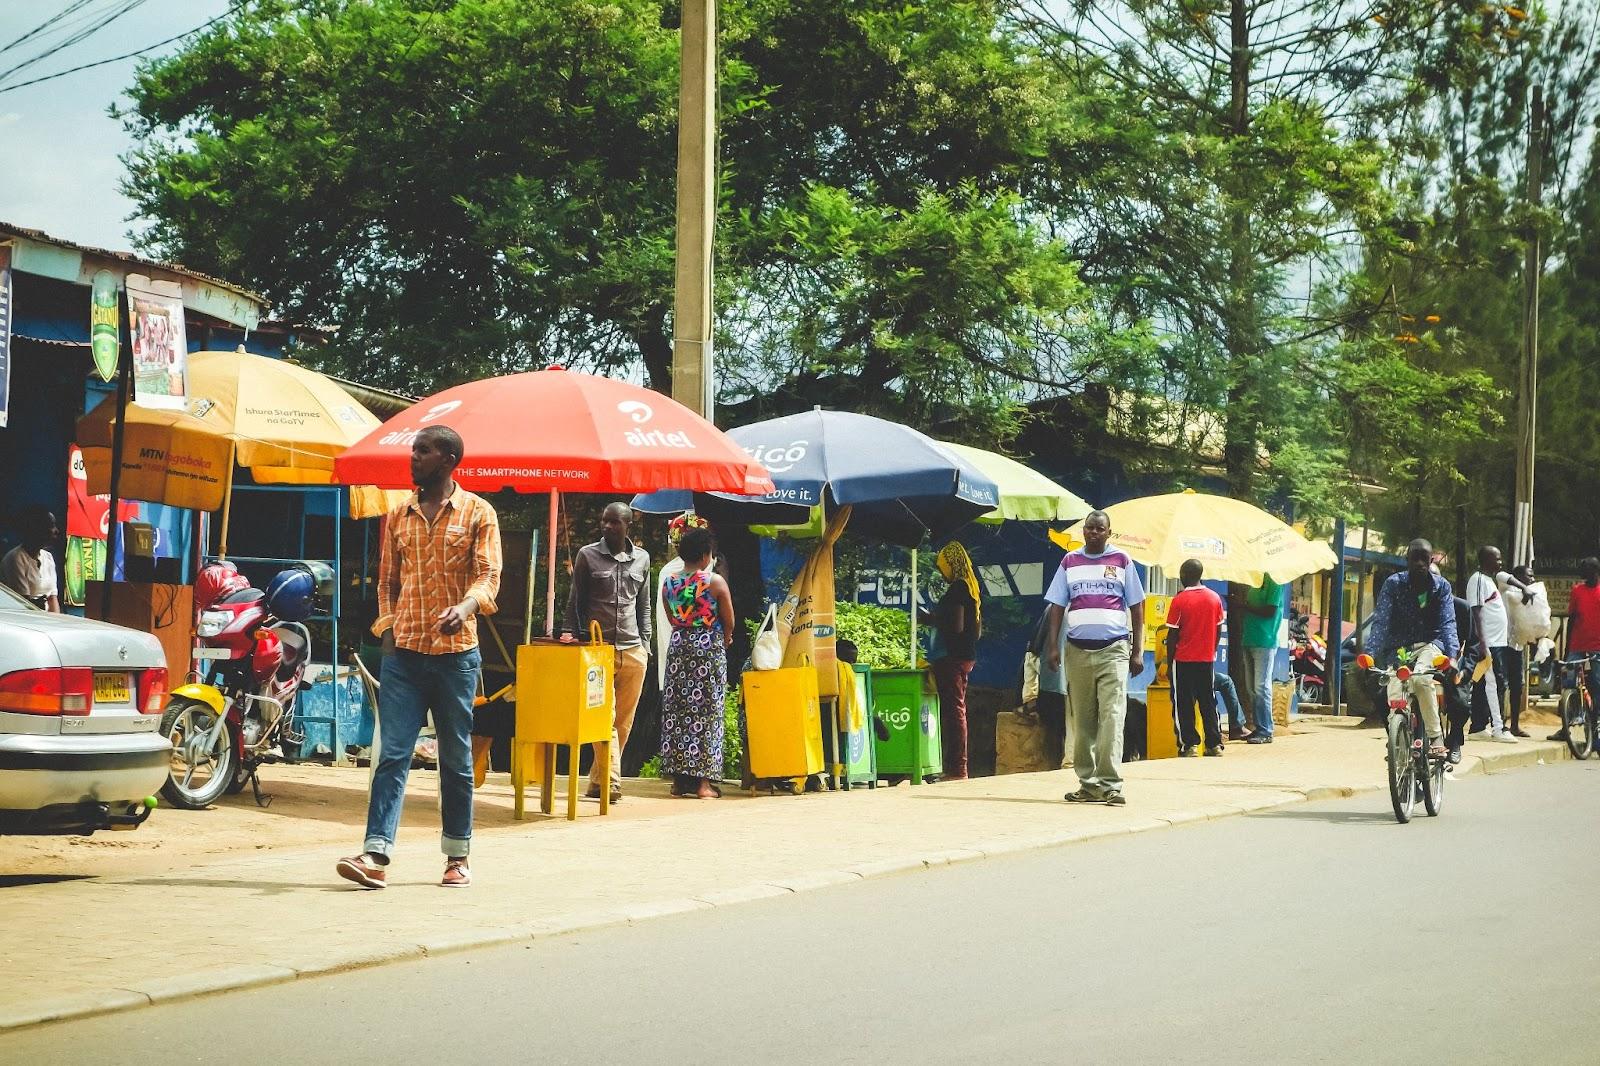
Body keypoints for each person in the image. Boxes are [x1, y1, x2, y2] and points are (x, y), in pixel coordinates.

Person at [337, 425, 501, 890]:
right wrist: (388, 628)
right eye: (414, 450)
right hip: (404, 656)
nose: (414, 457)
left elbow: (489, 577)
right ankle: (375, 854)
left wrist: (466, 607)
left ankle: (457, 855)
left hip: (456, 657)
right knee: (391, 754)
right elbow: (386, 583)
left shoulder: (478, 513)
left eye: (424, 451)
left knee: (455, 758)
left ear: (449, 460)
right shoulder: (399, 516)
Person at [1044, 509, 1145, 806]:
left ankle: (1110, 784)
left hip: (1113, 649)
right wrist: (1053, 646)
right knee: (1084, 720)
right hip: (1076, 650)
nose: (1093, 533)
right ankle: (1088, 784)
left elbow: (1137, 607)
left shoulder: (1122, 561)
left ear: (1108, 533)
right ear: (1083, 531)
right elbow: (1057, 607)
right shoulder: (1069, 562)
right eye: (1089, 528)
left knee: (1112, 715)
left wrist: (1137, 650)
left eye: (1100, 529)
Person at [563, 501, 652, 804]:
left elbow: (644, 606)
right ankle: (612, 783)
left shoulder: (642, 559)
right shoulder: (587, 555)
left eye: (614, 522)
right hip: (598, 650)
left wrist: (647, 645)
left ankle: (597, 781)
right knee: (604, 716)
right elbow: (575, 601)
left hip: (633, 650)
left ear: (628, 525)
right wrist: (572, 637)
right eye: (604, 521)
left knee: (623, 723)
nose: (607, 526)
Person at [658, 527, 734, 800]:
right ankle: (703, 784)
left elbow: (671, 617)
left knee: (678, 714)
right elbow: (729, 619)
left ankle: (679, 782)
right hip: (708, 650)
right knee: (707, 713)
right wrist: (725, 637)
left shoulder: (669, 582)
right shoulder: (714, 582)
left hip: (679, 649)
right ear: (705, 555)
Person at [1366, 539, 1458, 757]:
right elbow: (1381, 621)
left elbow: (1447, 623)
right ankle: (1398, 736)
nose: (1419, 563)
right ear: (1406, 561)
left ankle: (1436, 738)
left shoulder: (1441, 587)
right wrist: (1370, 654)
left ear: (1431, 560)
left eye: (1423, 559)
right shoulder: (1393, 584)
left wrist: (1452, 656)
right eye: (1414, 558)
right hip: (1399, 647)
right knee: (1394, 688)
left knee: (1420, 679)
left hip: (1430, 645)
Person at [920, 541, 982, 781]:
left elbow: (956, 626)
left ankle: (958, 769)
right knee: (956, 711)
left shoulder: (958, 589)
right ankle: (956, 767)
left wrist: (930, 619)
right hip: (965, 656)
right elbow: (975, 631)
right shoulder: (972, 587)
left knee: (955, 713)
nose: (941, 572)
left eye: (942, 566)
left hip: (952, 657)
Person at [1465, 545, 1529, 742]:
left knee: (1484, 684)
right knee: (1497, 684)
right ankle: (1499, 728)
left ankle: (1477, 727)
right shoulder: (1477, 580)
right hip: (1489, 642)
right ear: (1486, 560)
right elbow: (1476, 612)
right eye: (1497, 559)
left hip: (1497, 642)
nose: (1500, 563)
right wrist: (1482, 644)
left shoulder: (1489, 580)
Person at [1165, 559, 1225, 757]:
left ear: (1183, 575)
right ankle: (1214, 744)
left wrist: (1169, 662)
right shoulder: (1215, 598)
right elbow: (1218, 629)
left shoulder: (1179, 600)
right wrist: (1211, 650)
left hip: (1183, 660)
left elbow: (1172, 635)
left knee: (1183, 704)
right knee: (1209, 701)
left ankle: (1189, 745)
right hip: (1206, 660)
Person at [654, 511, 716, 688]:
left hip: (677, 643)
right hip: (706, 646)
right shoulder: (713, 573)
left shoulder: (667, 574)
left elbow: (666, 617)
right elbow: (727, 618)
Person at [1231, 574, 1284, 743]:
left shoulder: (1275, 581)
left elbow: (1270, 611)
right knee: (1252, 688)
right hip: (1249, 638)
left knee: (1261, 687)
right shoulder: (1254, 581)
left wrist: (1244, 606)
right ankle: (1259, 727)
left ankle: (1266, 730)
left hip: (1265, 640)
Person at [1552, 556, 1600, 742]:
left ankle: (1595, 727)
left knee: (1597, 684)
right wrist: (1566, 648)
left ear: (1594, 572)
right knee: (1569, 683)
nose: (1582, 575)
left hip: (1597, 646)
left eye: (1585, 571)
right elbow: (1571, 619)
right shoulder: (1577, 591)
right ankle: (1567, 725)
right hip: (1577, 644)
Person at [1028, 606, 1070, 770]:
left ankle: (1053, 767)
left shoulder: (1052, 609)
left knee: (1053, 730)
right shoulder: (1089, 609)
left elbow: (1035, 645)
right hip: (1078, 683)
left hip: (1053, 681)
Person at [1, 508, 61, 612]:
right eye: (51, 526)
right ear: (37, 529)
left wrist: (57, 622)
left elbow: (52, 598)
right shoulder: (15, 558)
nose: (56, 531)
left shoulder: (48, 557)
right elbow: (24, 603)